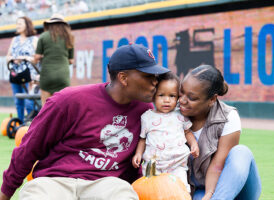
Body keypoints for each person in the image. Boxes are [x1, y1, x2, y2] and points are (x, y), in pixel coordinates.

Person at [0, 44, 170, 200]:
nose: (155, 82)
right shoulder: (68, 100)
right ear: (124, 78)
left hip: (107, 183)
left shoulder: (146, 111)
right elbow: (29, 147)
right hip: (55, 180)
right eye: (148, 76)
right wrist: (6, 192)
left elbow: (142, 159)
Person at [179, 65, 261, 200]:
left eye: (192, 98)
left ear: (212, 99)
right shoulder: (171, 113)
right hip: (194, 190)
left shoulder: (228, 116)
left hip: (228, 188)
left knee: (241, 152)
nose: (182, 100)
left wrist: (210, 195)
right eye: (181, 92)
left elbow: (217, 166)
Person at [132, 72, 199, 192]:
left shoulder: (180, 115)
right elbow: (142, 139)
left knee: (181, 189)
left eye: (172, 96)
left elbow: (187, 132)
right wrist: (138, 154)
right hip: (154, 164)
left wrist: (194, 144)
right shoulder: (147, 117)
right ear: (153, 96)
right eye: (161, 95)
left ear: (178, 97)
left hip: (177, 164)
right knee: (152, 191)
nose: (167, 100)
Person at [34, 13, 74, 106]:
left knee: (45, 107)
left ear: (49, 24)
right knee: (62, 105)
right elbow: (71, 61)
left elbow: (36, 57)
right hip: (63, 76)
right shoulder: (69, 38)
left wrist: (44, 57)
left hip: (47, 75)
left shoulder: (43, 36)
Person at [6, 16, 38, 122]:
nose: (17, 26)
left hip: (30, 75)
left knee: (29, 101)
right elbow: (8, 56)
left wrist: (24, 58)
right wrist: (13, 59)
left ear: (27, 25)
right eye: (17, 23)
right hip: (15, 74)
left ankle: (30, 124)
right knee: (18, 101)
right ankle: (20, 124)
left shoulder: (34, 39)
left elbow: (37, 58)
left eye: (20, 23)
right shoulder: (14, 39)